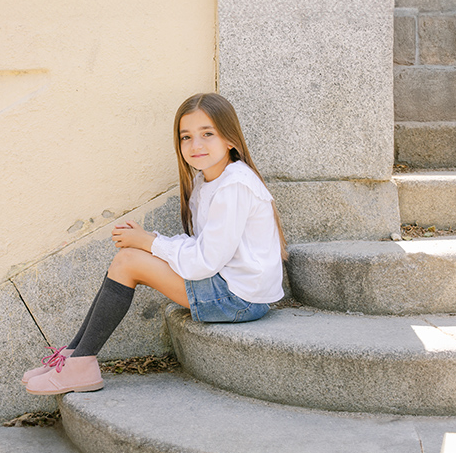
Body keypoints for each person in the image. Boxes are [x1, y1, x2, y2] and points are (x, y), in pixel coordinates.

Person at [22, 92, 286, 395]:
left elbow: (204, 262)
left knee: (128, 262)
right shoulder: (208, 181)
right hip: (230, 287)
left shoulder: (234, 185)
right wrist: (152, 240)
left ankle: (81, 362)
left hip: (241, 299)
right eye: (186, 137)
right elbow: (203, 246)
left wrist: (149, 243)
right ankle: (72, 356)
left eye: (207, 134)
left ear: (230, 139)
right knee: (130, 255)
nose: (195, 145)